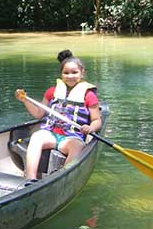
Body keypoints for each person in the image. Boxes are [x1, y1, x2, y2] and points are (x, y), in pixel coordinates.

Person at [14, 50, 102, 181]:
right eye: (66, 73)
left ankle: (61, 179)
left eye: (74, 72)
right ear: (61, 74)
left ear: (82, 72)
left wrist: (91, 128)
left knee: (78, 147)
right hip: (51, 134)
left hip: (72, 137)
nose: (70, 76)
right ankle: (30, 178)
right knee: (37, 137)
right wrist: (25, 100)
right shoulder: (52, 91)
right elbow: (38, 114)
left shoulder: (89, 95)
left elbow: (97, 120)